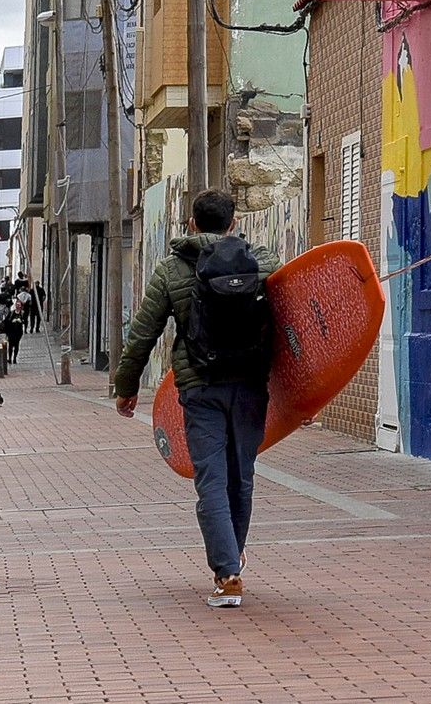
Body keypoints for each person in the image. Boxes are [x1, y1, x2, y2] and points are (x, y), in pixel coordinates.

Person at [114, 189, 278, 609]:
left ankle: (227, 573)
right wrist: (305, 395)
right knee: (241, 474)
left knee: (210, 478)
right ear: (234, 222)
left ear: (191, 224)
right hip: (250, 385)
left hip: (200, 386)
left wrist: (126, 387)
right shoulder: (260, 261)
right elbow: (291, 323)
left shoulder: (171, 269)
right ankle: (231, 560)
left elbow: (142, 335)